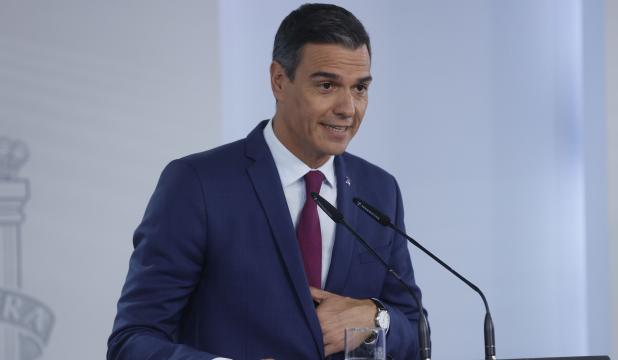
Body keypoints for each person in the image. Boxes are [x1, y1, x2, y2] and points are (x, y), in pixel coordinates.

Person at [108, 4, 424, 359]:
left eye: (360, 88)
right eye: (327, 85)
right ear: (279, 80)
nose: (348, 108)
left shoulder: (379, 189)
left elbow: (413, 326)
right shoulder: (197, 184)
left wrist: (375, 316)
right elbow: (132, 341)